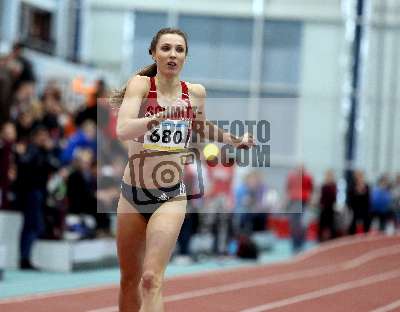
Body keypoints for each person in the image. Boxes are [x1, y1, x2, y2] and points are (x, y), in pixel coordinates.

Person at [112, 28, 254, 311]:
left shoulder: (195, 93)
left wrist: (233, 140)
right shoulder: (141, 85)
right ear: (154, 53)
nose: (172, 54)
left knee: (151, 279)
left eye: (179, 49)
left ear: (186, 56)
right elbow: (123, 129)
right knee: (129, 280)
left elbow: (200, 126)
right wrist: (160, 116)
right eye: (166, 48)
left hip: (170, 196)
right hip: (132, 195)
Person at [286, 164, 314, 254]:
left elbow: (311, 190)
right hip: (294, 201)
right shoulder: (292, 177)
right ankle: (294, 244)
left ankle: (301, 244)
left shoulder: (308, 178)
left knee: (302, 225)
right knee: (294, 224)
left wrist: (310, 201)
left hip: (304, 202)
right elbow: (288, 188)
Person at [347, 170, 371, 235]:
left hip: (364, 208)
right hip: (355, 208)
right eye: (358, 176)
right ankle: (351, 237)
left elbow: (368, 199)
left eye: (361, 176)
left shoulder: (366, 186)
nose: (360, 177)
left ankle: (366, 236)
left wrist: (363, 191)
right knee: (353, 224)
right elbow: (350, 197)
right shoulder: (352, 186)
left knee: (367, 222)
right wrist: (357, 192)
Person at [318, 170, 337, 242]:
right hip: (323, 209)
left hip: (331, 209)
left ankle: (332, 240)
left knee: (331, 226)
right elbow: (321, 198)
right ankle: (320, 240)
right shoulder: (323, 186)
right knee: (322, 226)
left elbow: (334, 198)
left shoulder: (333, 186)